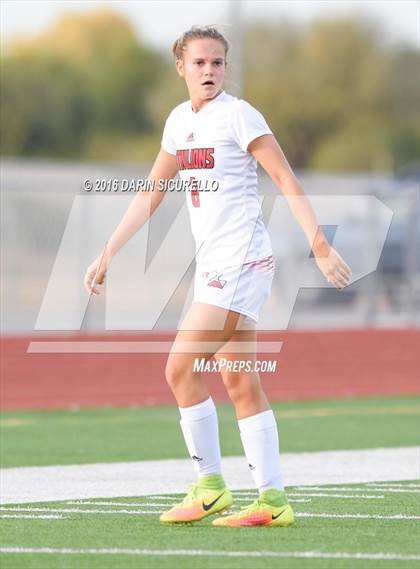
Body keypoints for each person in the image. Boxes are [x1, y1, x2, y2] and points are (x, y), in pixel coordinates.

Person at [84, 26, 352, 527]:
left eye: (218, 63)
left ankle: (210, 488)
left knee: (179, 369)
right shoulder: (178, 122)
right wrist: (108, 251)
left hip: (242, 261)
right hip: (214, 265)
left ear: (226, 68)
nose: (210, 71)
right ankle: (272, 502)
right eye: (201, 63)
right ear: (181, 67)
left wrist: (319, 243)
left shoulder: (239, 114)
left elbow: (284, 177)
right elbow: (151, 192)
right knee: (238, 378)